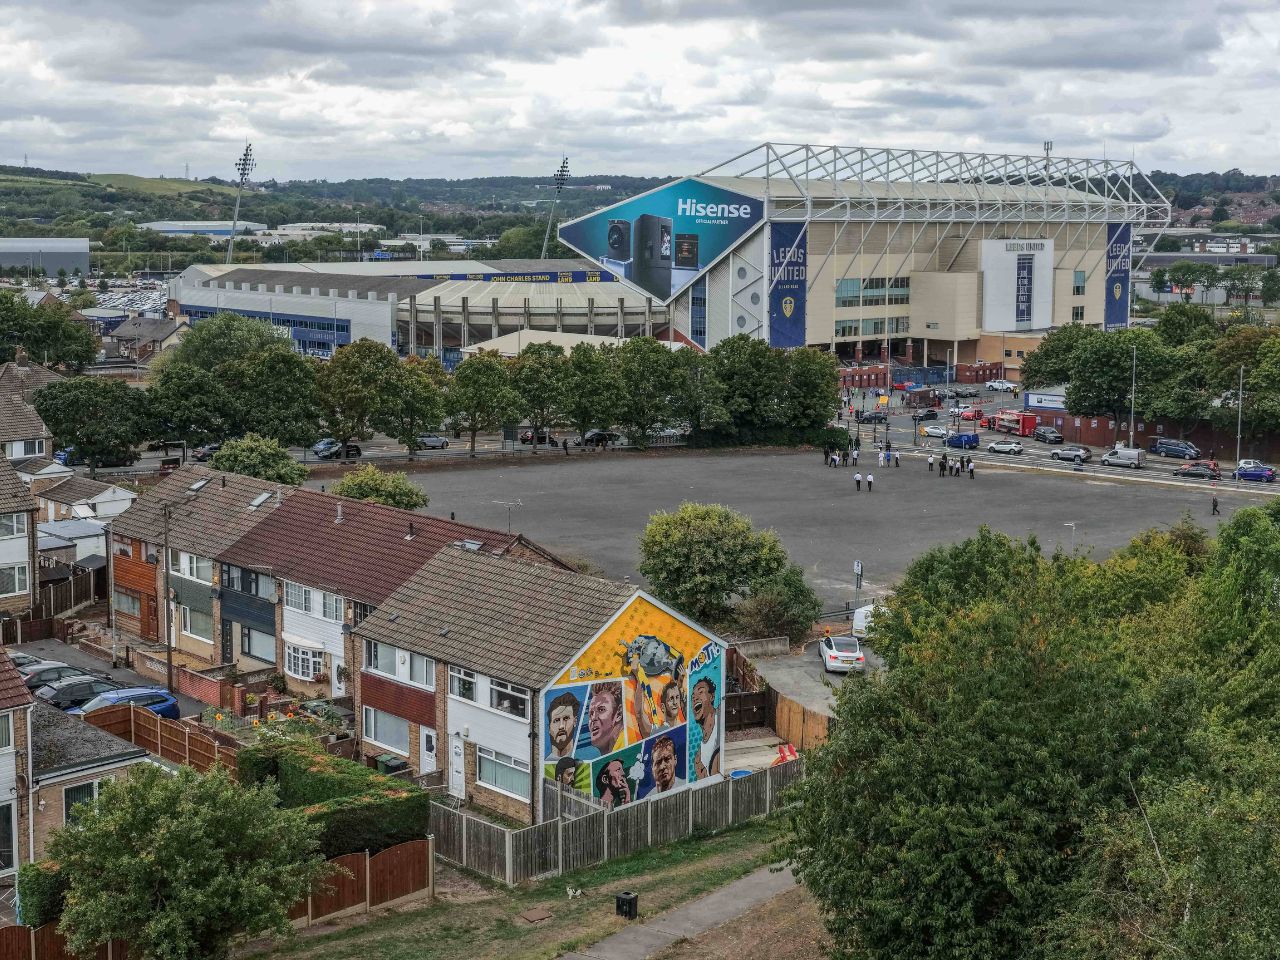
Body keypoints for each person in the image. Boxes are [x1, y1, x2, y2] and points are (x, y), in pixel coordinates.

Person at [584, 682, 626, 759]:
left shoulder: (625, 747)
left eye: (601, 710)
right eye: (590, 714)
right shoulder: (614, 755)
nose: (593, 718)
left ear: (619, 714)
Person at [691, 678, 721, 780]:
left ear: (712, 696)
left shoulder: (720, 715)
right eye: (693, 696)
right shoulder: (699, 759)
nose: (695, 698)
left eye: (701, 692)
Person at [545, 691, 582, 764]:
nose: (561, 726)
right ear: (549, 727)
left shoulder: (582, 758)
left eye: (566, 718)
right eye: (556, 720)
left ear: (575, 721)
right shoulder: (545, 764)